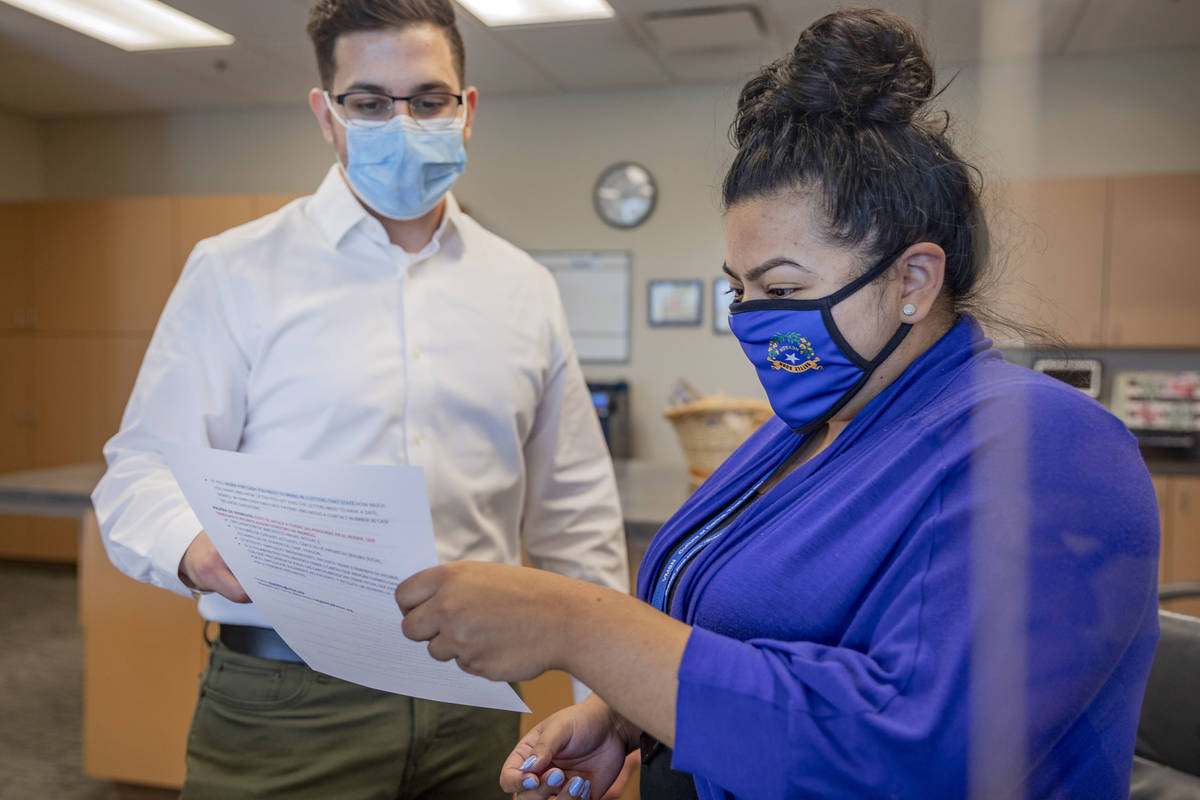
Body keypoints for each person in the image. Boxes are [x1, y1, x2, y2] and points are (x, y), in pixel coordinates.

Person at [392, 8, 1160, 799]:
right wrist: (628, 716)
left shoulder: (1051, 448)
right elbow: (728, 632)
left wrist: (580, 628)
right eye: (740, 289)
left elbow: (914, 750)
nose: (753, 317)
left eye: (784, 288)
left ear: (913, 281)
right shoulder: (807, 428)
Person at [91, 1, 629, 798]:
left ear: (466, 109)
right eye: (371, 103)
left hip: (474, 697)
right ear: (326, 115)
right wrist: (197, 547)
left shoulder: (523, 287)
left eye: (429, 99)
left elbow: (574, 513)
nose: (403, 122)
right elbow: (137, 474)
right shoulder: (234, 271)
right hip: (288, 708)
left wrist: (606, 710)